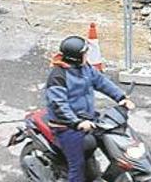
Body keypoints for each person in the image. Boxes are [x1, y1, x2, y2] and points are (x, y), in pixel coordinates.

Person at [46, 36, 135, 182]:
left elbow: (101, 82)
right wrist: (76, 123)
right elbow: (58, 105)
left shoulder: (85, 67)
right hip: (67, 126)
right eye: (84, 53)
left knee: (117, 149)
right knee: (77, 167)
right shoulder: (58, 76)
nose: (87, 55)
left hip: (89, 119)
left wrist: (121, 98)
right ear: (75, 57)